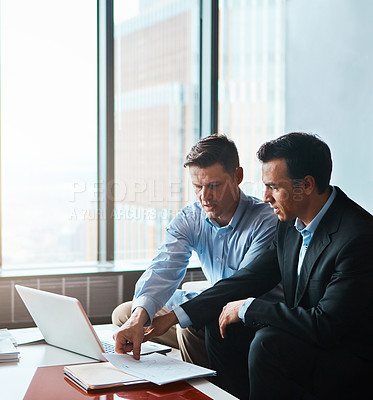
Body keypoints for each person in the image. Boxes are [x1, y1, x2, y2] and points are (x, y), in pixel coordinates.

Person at [139, 132, 373, 400]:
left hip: (346, 355)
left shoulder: (358, 237)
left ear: (306, 185)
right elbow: (249, 278)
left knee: (267, 342)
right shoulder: (291, 224)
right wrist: (176, 316)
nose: (265, 197)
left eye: (273, 187)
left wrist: (249, 307)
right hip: (304, 335)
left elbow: (326, 324)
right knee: (222, 322)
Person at [112, 134, 280, 367]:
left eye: (214, 186)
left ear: (237, 176)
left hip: (246, 318)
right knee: (126, 315)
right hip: (209, 304)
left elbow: (238, 289)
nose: (204, 196)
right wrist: (138, 318)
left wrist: (176, 316)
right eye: (197, 186)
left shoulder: (266, 221)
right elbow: (164, 269)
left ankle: (207, 386)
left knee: (189, 325)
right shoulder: (191, 218)